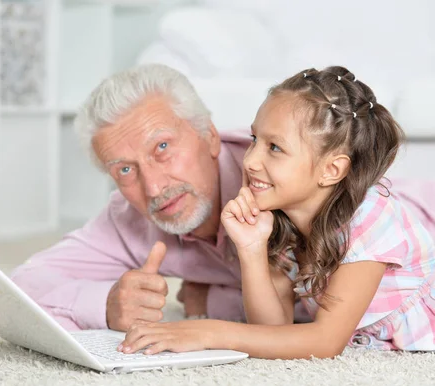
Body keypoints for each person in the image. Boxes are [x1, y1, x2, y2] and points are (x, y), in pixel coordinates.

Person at [10, 64, 435, 337]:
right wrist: (103, 304)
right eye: (124, 169)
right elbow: (19, 289)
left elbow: (327, 330)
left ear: (210, 136)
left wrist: (214, 312)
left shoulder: (318, 195)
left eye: (162, 147)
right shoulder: (131, 219)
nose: (154, 186)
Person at [117, 66, 435, 359]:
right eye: (255, 139)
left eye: (274, 148)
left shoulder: (368, 219)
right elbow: (273, 331)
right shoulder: (279, 218)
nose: (251, 160)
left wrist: (209, 331)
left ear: (331, 170)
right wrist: (251, 249)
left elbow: (326, 342)